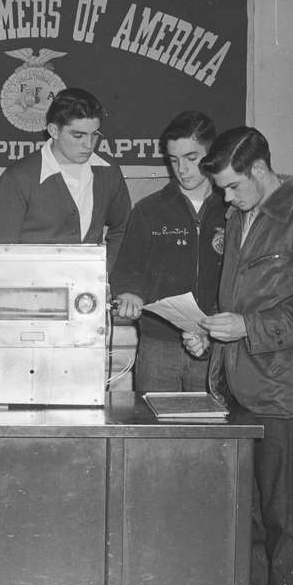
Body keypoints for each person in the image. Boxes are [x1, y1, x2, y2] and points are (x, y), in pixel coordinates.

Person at [182, 127, 293, 585]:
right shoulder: (238, 216)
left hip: (280, 391)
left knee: (286, 511)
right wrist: (209, 332)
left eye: (232, 187)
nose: (225, 198)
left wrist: (249, 328)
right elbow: (237, 297)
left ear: (258, 170)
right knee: (249, 508)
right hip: (234, 382)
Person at [111, 111, 227, 391]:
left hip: (214, 341)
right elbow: (127, 269)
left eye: (191, 158)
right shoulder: (149, 210)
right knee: (153, 429)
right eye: (174, 160)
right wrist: (128, 292)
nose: (182, 169)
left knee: (211, 429)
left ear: (212, 156)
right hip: (157, 344)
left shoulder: (232, 209)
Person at [0, 87, 131, 271]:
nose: (89, 144)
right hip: (33, 290)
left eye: (95, 134)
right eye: (78, 135)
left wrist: (104, 273)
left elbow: (124, 227)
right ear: (54, 130)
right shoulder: (18, 178)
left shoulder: (108, 171)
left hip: (88, 289)